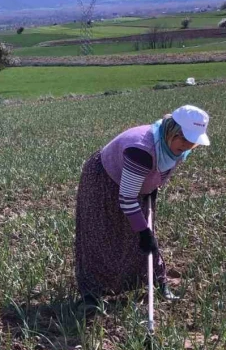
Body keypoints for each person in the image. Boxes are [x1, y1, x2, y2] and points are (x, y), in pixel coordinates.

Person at [75, 105, 210, 309]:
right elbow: (127, 198)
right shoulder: (141, 149)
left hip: (137, 182)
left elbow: (163, 170)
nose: (189, 145)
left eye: (193, 142)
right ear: (172, 131)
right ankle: (92, 295)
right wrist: (143, 233)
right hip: (104, 180)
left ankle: (157, 281)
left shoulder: (178, 147)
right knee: (102, 235)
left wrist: (153, 187)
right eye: (185, 140)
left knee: (144, 234)